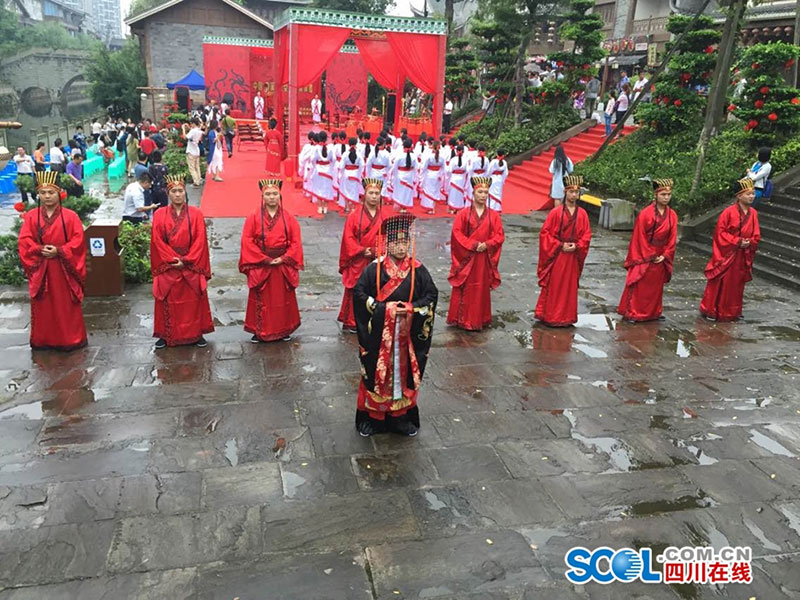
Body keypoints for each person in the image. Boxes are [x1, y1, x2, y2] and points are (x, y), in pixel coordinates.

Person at [352, 214, 438, 437]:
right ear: (387, 244)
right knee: (376, 372)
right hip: (380, 336)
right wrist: (384, 310)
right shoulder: (375, 269)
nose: (401, 248)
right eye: (396, 243)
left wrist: (410, 309)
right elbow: (359, 294)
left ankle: (400, 416)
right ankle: (374, 417)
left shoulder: (418, 269)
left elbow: (431, 295)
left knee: (403, 373)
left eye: (404, 243)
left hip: (406, 336)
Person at [17, 171, 87, 351]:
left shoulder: (70, 216)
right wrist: (39, 249)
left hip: (63, 269)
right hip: (42, 268)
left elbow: (78, 241)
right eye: (43, 192)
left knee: (66, 306)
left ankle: (70, 339)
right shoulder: (32, 216)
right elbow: (25, 241)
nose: (47, 196)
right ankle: (44, 340)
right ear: (38, 194)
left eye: (51, 192)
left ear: (59, 192)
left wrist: (60, 250)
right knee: (44, 305)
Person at [151, 175, 214, 349]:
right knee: (167, 302)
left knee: (192, 303)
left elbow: (200, 240)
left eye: (180, 191)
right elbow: (157, 241)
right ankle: (165, 334)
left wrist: (186, 260)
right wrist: (172, 260)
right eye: (174, 191)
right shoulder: (159, 214)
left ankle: (196, 333)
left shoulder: (196, 214)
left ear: (185, 192)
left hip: (190, 265)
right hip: (168, 265)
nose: (178, 194)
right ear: (168, 193)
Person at [239, 178, 304, 342]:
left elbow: (296, 242)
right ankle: (259, 329)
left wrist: (284, 258)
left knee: (282, 300)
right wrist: (263, 258)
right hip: (262, 264)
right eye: (268, 194)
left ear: (280, 194)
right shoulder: (253, 217)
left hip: (282, 264)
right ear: (262, 196)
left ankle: (283, 330)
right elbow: (247, 241)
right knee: (262, 299)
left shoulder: (289, 218)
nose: (272, 197)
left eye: (275, 193)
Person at [447, 176, 505, 331]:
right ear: (473, 193)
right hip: (468, 258)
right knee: (466, 287)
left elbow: (499, 236)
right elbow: (457, 234)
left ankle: (480, 318)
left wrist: (487, 244)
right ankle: (462, 319)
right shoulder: (463, 214)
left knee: (481, 287)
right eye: (480, 192)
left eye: (486, 192)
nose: (483, 195)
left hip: (484, 258)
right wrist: (472, 245)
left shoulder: (494, 215)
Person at [699, 178, 760, 322]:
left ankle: (733, 311)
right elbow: (720, 234)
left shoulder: (754, 214)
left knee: (737, 285)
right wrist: (737, 241)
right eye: (748, 194)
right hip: (728, 254)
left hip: (742, 255)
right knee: (722, 282)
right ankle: (714, 310)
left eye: (753, 193)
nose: (751, 196)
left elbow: (756, 234)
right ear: (739, 196)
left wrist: (750, 242)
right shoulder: (728, 213)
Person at [617, 179, 678, 323]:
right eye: (663, 194)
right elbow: (639, 237)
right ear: (656, 195)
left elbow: (672, 238)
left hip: (662, 253)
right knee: (640, 285)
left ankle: (653, 312)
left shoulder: (672, 215)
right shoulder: (646, 214)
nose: (666, 197)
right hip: (646, 253)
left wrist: (665, 254)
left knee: (656, 288)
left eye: (669, 194)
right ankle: (634, 312)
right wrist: (651, 254)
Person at [535, 175, 592, 327]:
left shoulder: (583, 214)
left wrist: (578, 245)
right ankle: (551, 316)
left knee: (570, 286)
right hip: (558, 255)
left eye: (577, 192)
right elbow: (545, 234)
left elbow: (587, 235)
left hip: (573, 256)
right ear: (565, 192)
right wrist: (560, 245)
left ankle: (566, 317)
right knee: (555, 284)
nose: (574, 195)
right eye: (571, 191)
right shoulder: (555, 213)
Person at [338, 178, 388, 333]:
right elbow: (348, 237)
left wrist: (377, 251)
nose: (374, 196)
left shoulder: (383, 216)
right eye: (371, 193)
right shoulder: (354, 216)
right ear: (364, 194)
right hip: (358, 259)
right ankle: (352, 321)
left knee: (376, 287)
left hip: (376, 259)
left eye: (377, 193)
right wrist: (361, 250)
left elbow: (386, 237)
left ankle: (374, 319)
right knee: (356, 288)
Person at [310, 131, 335, 215]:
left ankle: (320, 207)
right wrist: (330, 167)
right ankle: (326, 208)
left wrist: (315, 166)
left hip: (319, 170)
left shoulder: (316, 148)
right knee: (327, 189)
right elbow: (333, 159)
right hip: (328, 170)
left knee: (318, 188)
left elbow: (313, 159)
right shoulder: (331, 148)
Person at [390, 138, 417, 213]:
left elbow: (394, 167)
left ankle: (401, 206)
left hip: (400, 176)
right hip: (409, 176)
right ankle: (404, 207)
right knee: (407, 192)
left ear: (403, 147)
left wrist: (393, 177)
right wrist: (415, 178)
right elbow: (416, 168)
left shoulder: (399, 156)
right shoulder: (414, 157)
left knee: (400, 192)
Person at [419, 141, 446, 215]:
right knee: (435, 192)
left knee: (429, 191)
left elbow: (424, 167)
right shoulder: (442, 157)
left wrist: (421, 177)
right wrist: (441, 176)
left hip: (429, 175)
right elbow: (444, 169)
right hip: (437, 176)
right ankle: (433, 207)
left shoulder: (429, 156)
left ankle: (430, 208)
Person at [338, 138, 365, 213]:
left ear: (349, 144)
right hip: (355, 174)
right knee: (354, 191)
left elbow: (341, 166)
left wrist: (341, 174)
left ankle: (346, 207)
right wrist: (359, 173)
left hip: (346, 174)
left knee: (345, 190)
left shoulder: (345, 154)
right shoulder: (359, 154)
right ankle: (353, 208)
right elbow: (362, 165)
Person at [446, 145, 469, 214]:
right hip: (458, 178)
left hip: (457, 178)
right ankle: (454, 208)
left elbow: (449, 170)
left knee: (457, 194)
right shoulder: (464, 160)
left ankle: (456, 208)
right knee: (455, 194)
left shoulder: (454, 160)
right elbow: (467, 171)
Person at [185, 118, 204, 187]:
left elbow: (185, 137)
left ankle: (196, 182)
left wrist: (183, 129)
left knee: (192, 168)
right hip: (196, 150)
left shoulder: (193, 131)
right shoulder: (199, 130)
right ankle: (198, 179)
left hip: (191, 151)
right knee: (197, 167)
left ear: (193, 123)